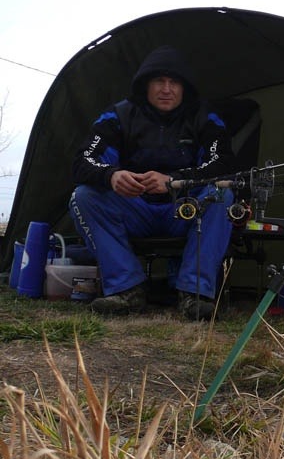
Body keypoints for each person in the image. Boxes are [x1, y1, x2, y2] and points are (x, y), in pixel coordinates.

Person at [70, 46, 235, 320]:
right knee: (83, 196)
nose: (166, 89)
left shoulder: (205, 118)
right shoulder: (118, 116)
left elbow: (224, 165)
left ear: (184, 88)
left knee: (222, 194)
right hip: (135, 208)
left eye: (174, 83)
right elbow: (84, 160)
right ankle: (127, 289)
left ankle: (194, 294)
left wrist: (175, 182)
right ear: (145, 85)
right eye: (159, 81)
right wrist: (111, 175)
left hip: (184, 210)